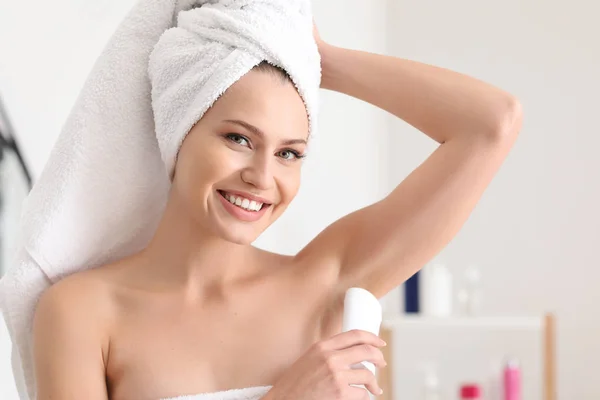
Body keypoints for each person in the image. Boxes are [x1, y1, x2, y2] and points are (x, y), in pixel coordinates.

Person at [31, 21, 522, 400]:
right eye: (238, 138)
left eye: (289, 153)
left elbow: (491, 123)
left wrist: (317, 59)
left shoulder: (328, 280)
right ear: (177, 133)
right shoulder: (83, 312)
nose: (262, 177)